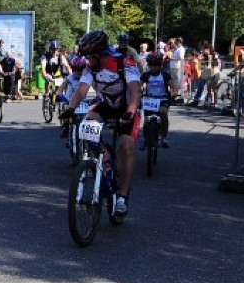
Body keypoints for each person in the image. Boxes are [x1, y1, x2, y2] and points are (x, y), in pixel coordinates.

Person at [60, 30, 141, 217]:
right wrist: (70, 109)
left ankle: (122, 197)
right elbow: (81, 90)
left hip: (127, 107)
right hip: (107, 105)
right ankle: (99, 157)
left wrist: (130, 113)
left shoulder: (123, 63)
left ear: (99, 53)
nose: (87, 60)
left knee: (126, 145)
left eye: (89, 56)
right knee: (86, 124)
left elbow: (135, 92)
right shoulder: (91, 68)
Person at [140, 52, 176, 148]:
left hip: (162, 99)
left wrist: (174, 92)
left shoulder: (164, 74)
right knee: (147, 120)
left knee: (163, 112)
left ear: (160, 65)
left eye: (156, 65)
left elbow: (172, 84)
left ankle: (164, 137)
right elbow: (140, 84)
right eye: (151, 65)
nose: (153, 67)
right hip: (150, 100)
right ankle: (145, 139)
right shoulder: (146, 75)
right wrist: (138, 91)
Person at [56, 55, 87, 138]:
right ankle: (65, 128)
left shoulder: (86, 77)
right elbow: (62, 87)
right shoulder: (70, 77)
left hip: (82, 101)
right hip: (69, 99)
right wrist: (59, 95)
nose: (77, 72)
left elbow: (96, 87)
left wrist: (98, 97)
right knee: (67, 109)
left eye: (80, 70)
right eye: (75, 70)